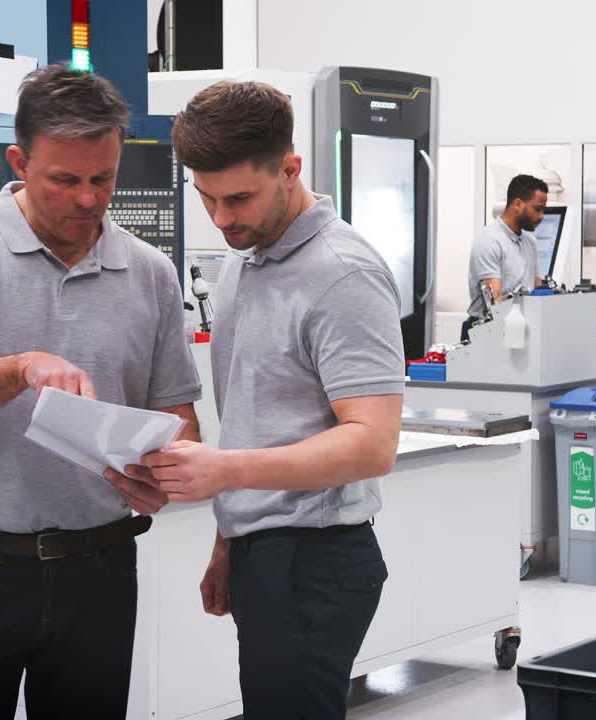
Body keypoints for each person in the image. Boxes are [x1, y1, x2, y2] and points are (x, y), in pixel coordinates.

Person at [0, 64, 201, 719]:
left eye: (103, 178)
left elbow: (177, 415)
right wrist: (17, 368)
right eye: (65, 180)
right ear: (19, 162)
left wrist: (162, 472)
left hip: (101, 567)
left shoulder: (150, 274)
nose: (88, 199)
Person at [133, 80, 404, 719]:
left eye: (239, 198)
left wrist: (226, 472)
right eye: (206, 199)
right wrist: (232, 537)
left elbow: (373, 442)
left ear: (290, 169)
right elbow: (262, 420)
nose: (223, 219)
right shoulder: (249, 260)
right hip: (269, 553)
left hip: (315, 563)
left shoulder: (342, 275)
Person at [462, 174, 550, 342]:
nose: (541, 216)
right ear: (517, 204)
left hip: (518, 329)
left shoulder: (530, 242)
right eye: (537, 209)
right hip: (485, 333)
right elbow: (495, 306)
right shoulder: (489, 240)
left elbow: (537, 290)